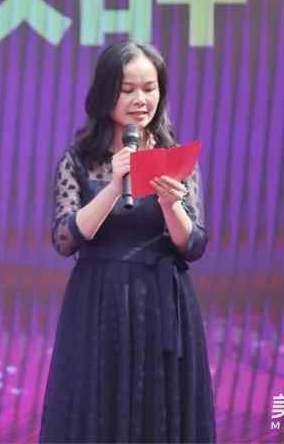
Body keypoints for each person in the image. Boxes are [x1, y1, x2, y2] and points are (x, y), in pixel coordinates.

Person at [39, 41, 216, 443]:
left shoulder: (175, 158)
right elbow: (65, 238)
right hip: (99, 303)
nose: (141, 100)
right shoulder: (79, 160)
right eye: (128, 89)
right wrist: (114, 186)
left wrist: (171, 205)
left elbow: (194, 245)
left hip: (163, 304)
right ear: (107, 94)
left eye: (150, 88)